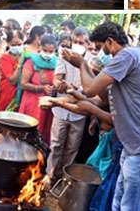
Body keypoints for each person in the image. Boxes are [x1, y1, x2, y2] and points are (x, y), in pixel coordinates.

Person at [61, 21, 140, 210]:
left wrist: (81, 64)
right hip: (135, 145)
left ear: (110, 41)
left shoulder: (126, 56)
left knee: (133, 206)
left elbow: (89, 90)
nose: (99, 52)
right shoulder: (127, 58)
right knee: (120, 201)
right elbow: (102, 97)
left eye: (99, 47)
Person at [46, 28, 89, 184]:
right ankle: (50, 176)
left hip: (80, 110)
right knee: (56, 144)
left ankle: (65, 179)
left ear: (87, 42)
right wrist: (60, 84)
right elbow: (56, 79)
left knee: (72, 148)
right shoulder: (64, 56)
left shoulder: (91, 59)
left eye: (81, 42)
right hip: (62, 107)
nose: (77, 45)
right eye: (75, 42)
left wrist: (75, 89)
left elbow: (91, 88)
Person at [19, 35, 58, 146]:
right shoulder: (31, 61)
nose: (47, 53)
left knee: (44, 135)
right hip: (32, 103)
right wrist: (42, 88)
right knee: (29, 133)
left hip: (48, 104)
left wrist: (54, 89)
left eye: (51, 51)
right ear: (40, 47)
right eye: (45, 50)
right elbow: (23, 84)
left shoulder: (57, 63)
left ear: (55, 50)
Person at [0, 30, 24, 111]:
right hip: (8, 93)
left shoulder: (26, 55)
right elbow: (12, 81)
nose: (17, 46)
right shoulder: (5, 58)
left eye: (19, 44)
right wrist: (19, 65)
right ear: (8, 43)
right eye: (13, 44)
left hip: (22, 94)